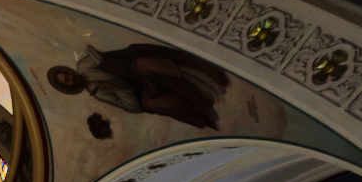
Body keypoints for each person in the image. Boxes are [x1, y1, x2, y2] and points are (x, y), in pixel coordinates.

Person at [47, 43, 229, 130]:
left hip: (135, 70)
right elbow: (132, 107)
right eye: (68, 81)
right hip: (144, 90)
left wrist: (110, 62)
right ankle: (201, 107)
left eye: (68, 74)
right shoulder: (98, 93)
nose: (71, 77)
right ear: (71, 87)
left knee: (143, 64)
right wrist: (115, 88)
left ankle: (196, 84)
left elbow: (117, 55)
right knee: (152, 104)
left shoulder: (85, 64)